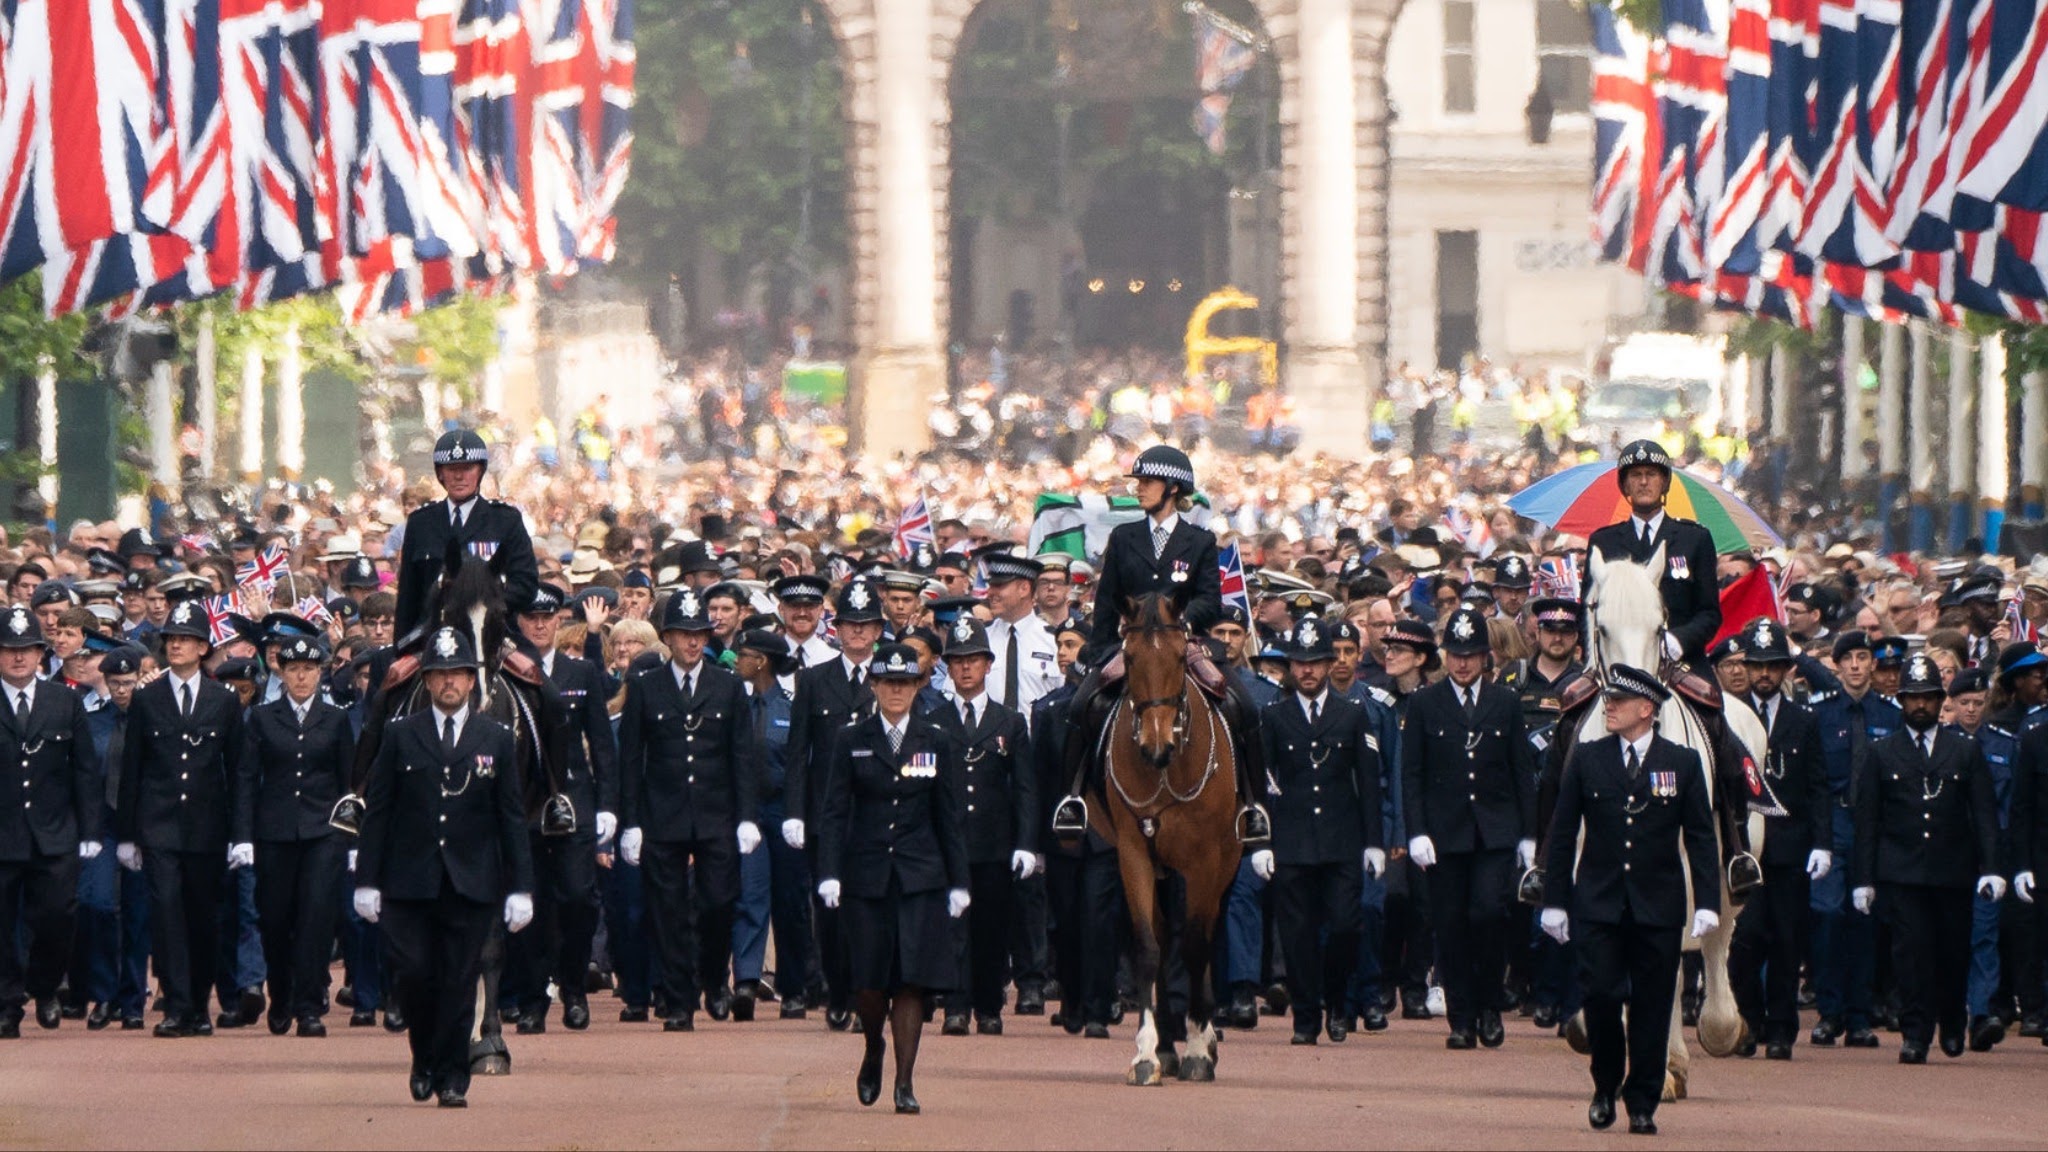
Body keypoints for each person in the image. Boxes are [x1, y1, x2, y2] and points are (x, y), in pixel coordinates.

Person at [352, 627, 535, 1107]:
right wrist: (366, 881)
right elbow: (380, 812)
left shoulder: (495, 737)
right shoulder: (399, 733)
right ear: (428, 681)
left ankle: (454, 1074)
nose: (450, 682)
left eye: (458, 674)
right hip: (409, 880)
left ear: (472, 681)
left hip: (471, 880)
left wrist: (522, 887)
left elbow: (511, 815)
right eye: (440, 674)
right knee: (412, 974)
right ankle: (423, 1055)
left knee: (458, 980)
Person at [1541, 664, 1720, 1136]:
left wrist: (1707, 901)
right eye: (1608, 700)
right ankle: (1605, 1085)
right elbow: (1562, 833)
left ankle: (1642, 1100)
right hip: (1598, 901)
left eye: (1618, 702)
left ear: (1647, 709)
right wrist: (1554, 899)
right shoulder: (1587, 756)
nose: (1609, 707)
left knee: (1653, 1005)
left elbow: (1701, 836)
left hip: (1658, 904)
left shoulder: (1681, 762)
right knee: (1600, 995)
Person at [1057, 445, 1267, 845]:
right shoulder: (1123, 537)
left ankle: (1252, 806)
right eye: (1138, 482)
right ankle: (1072, 799)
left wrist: (1181, 621)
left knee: (1244, 705)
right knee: (1081, 703)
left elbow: (1211, 599)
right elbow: (1106, 600)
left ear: (1172, 487)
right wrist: (1100, 650)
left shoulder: (1200, 540)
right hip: (1134, 646)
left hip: (1183, 643)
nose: (1139, 490)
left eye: (1147, 482)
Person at [815, 643, 970, 1114]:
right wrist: (829, 873)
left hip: (920, 875)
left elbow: (949, 814)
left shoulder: (937, 737)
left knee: (911, 981)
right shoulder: (851, 738)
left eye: (905, 683)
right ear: (875, 685)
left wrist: (958, 881)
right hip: (866, 875)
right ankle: (872, 1046)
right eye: (888, 683)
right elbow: (835, 811)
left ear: (918, 685)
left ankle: (905, 1081)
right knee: (869, 980)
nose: (897, 691)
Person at [617, 587, 762, 1031]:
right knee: (668, 910)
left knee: (719, 902)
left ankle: (715, 978)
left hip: (717, 812)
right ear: (668, 638)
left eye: (699, 633)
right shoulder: (646, 687)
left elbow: (743, 754)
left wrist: (747, 817)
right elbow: (631, 759)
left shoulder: (729, 685)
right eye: (683, 634)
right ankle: (679, 1000)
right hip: (663, 814)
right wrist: (631, 822)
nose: (693, 642)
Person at [1851, 653, 2001, 1064]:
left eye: (1929, 698)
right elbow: (1868, 821)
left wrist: (1991, 869)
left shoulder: (1964, 750)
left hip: (1953, 870)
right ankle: (1915, 1033)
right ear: (1901, 700)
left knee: (1952, 952)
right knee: (1910, 955)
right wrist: (1864, 878)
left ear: (1941, 700)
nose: (1921, 705)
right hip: (1901, 871)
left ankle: (1952, 1023)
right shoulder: (1882, 752)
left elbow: (1984, 814)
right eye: (1913, 697)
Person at [1401, 606, 1535, 1049]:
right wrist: (1416, 831)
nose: (1463, 663)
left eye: (1472, 654)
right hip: (1444, 834)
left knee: (1488, 914)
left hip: (1494, 831)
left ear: (1486, 657)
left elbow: (1521, 773)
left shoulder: (1506, 703)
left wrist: (1529, 835)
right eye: (1456, 653)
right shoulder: (1424, 704)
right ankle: (1461, 1017)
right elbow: (1412, 775)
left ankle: (1490, 1004)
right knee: (1450, 924)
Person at [1249, 615, 1385, 1045]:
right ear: (1290, 666)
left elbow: (1367, 782)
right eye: (1299, 662)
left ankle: (1338, 1003)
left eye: (1315, 662)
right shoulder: (1273, 716)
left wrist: (1375, 844)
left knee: (1346, 926)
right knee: (1298, 936)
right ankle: (1306, 1017)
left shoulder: (1353, 714)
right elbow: (1260, 785)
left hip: (1342, 840)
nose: (1307, 670)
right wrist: (1261, 842)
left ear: (1329, 664)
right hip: (1291, 842)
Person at [116, 597, 246, 1038]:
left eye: (186, 640)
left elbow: (239, 771)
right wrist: (128, 835)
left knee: (204, 917)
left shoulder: (224, 699)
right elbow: (132, 767)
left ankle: (200, 1004)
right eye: (172, 639)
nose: (176, 646)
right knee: (166, 912)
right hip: (160, 823)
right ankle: (177, 1003)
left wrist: (240, 833)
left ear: (204, 647)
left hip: (208, 826)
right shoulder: (147, 698)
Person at [506, 583, 617, 1033]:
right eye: (531, 617)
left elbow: (603, 745)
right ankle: (533, 999)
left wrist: (609, 804)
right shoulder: (505, 672)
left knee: (577, 898)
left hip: (574, 798)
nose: (538, 624)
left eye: (547, 617)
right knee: (527, 903)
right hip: (523, 802)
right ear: (518, 622)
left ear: (560, 620)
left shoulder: (580, 672)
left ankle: (572, 986)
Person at [233, 634, 353, 1037]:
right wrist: (243, 837)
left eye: (309, 670)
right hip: (275, 831)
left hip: (323, 831)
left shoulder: (336, 720)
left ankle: (308, 1005)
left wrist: (351, 839)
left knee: (316, 917)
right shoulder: (263, 718)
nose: (302, 678)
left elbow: (348, 783)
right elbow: (247, 780)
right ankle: (280, 993)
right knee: (275, 918)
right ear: (281, 673)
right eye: (294, 670)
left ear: (320, 673)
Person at [1726, 620, 1831, 1061]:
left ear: (1787, 669)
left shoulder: (1804, 720)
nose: (1764, 675)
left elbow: (1818, 786)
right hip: (1742, 847)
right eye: (1756, 666)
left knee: (1788, 941)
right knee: (1745, 939)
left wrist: (1823, 843)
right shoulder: (1728, 715)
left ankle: (1782, 1030)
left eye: (1772, 666)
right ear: (1745, 667)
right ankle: (1748, 1021)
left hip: (1790, 844)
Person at [781, 577, 881, 1029]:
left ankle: (866, 996)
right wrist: (795, 813)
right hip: (827, 815)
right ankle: (836, 989)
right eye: (850, 625)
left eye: (866, 625)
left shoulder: (892, 675)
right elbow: (799, 752)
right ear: (835, 629)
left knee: (872, 910)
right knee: (831, 911)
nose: (857, 633)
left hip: (879, 815)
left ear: (879, 631)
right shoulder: (814, 680)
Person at [0, 604, 100, 1036]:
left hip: (55, 832)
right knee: (2, 925)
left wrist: (90, 830)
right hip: (3, 834)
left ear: (42, 653)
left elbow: (84, 771)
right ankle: (6, 1002)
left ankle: (43, 987)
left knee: (57, 917)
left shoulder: (65, 700)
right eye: (8, 649)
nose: (18, 657)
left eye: (27, 649)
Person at [933, 616, 1036, 1036]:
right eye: (957, 661)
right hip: (948, 843)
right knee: (951, 928)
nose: (965, 668)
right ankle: (955, 1006)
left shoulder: (1009, 722)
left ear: (988, 665)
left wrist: (1026, 843)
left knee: (992, 929)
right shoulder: (934, 719)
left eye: (973, 660)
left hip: (994, 843)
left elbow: (1026, 788)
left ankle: (989, 1006)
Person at [1808, 630, 1900, 1049]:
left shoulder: (1890, 714)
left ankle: (1860, 1016)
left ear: (1873, 664)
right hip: (1833, 822)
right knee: (1828, 916)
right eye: (1850, 659)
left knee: (1866, 921)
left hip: (1875, 827)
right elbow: (1814, 781)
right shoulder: (1819, 714)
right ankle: (1830, 1013)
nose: (1858, 665)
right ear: (1838, 665)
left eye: (1865, 658)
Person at [731, 627, 815, 1020]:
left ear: (761, 660)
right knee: (750, 894)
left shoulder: (793, 705)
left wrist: (797, 812)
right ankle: (746, 980)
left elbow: (800, 762)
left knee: (791, 899)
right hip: (746, 812)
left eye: (743, 654)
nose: (737, 661)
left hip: (784, 810)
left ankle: (794, 986)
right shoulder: (736, 704)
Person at [1580, 441, 1721, 668]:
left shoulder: (1695, 539)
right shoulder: (1604, 542)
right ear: (1625, 485)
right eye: (1635, 475)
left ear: (1664, 482)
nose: (1644, 482)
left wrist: (1679, 640)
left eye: (1651, 474)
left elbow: (1709, 613)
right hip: (1616, 663)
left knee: (1710, 703)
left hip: (1681, 662)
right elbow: (1586, 612)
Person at [393, 429, 540, 641]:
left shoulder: (506, 520)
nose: (459, 476)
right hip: (431, 637)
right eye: (452, 469)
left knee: (534, 673)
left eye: (467, 468)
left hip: (494, 635)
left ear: (480, 471)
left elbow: (526, 585)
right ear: (440, 473)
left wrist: (483, 602)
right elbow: (408, 597)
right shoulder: (420, 522)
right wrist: (401, 647)